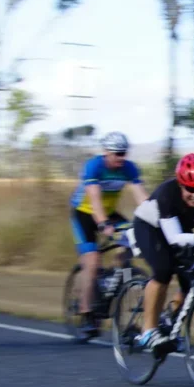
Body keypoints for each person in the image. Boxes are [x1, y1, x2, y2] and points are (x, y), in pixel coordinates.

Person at [130, 153, 194, 350]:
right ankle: (148, 332)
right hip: (149, 227)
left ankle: (168, 319)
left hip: (179, 228)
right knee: (163, 270)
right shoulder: (168, 193)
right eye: (190, 189)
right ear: (181, 184)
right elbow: (174, 238)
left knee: (191, 278)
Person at [69, 131, 149, 340]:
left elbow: (142, 198)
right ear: (106, 152)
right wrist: (103, 224)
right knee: (92, 261)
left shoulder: (129, 168)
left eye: (124, 153)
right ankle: (86, 313)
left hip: (110, 214)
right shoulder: (94, 166)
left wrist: (155, 219)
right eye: (117, 154)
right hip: (84, 214)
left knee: (130, 245)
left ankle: (114, 282)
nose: (121, 158)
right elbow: (95, 200)